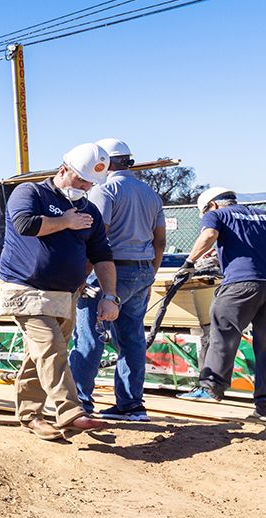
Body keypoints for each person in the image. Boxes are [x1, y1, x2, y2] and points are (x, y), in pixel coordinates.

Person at [0, 143, 119, 440]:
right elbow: (25, 224)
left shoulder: (88, 209)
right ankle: (70, 412)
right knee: (51, 346)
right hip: (25, 289)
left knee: (38, 356)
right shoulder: (30, 193)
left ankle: (30, 416)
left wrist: (109, 295)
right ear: (63, 170)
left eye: (90, 183)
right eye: (81, 180)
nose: (85, 187)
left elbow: (102, 255)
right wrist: (67, 221)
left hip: (65, 296)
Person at [68, 138, 166, 421]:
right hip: (142, 269)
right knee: (132, 338)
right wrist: (150, 275)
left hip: (109, 272)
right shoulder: (150, 193)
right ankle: (131, 405)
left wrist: (81, 277)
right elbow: (160, 241)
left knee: (90, 336)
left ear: (105, 163)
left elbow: (97, 239)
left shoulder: (106, 190)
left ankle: (79, 404)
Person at [176, 188, 266, 420]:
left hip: (240, 284)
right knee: (264, 345)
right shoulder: (260, 214)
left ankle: (210, 387)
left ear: (212, 205)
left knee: (223, 330)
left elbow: (208, 236)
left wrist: (189, 262)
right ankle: (264, 405)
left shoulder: (217, 214)